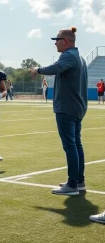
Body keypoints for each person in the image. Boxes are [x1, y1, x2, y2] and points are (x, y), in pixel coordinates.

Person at [30, 27, 87, 196]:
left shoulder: (69, 55)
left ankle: (72, 185)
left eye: (57, 40)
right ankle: (79, 181)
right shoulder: (80, 57)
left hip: (67, 107)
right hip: (76, 107)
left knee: (70, 145)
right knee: (76, 144)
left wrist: (37, 70)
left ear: (66, 41)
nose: (55, 43)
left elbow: (56, 67)